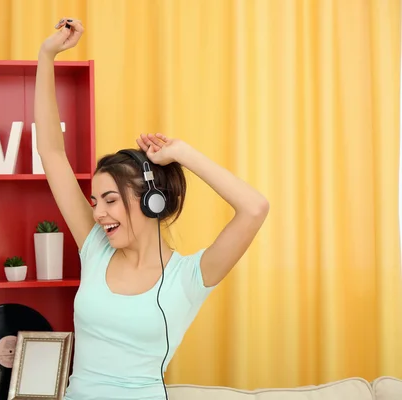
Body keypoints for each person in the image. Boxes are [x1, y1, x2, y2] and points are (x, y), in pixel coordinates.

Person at [35, 17, 270, 400]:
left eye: (111, 201)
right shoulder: (94, 247)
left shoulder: (189, 278)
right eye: (96, 202)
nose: (98, 214)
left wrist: (182, 154)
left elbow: (255, 208)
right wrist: (47, 56)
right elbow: (51, 151)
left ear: (152, 202)